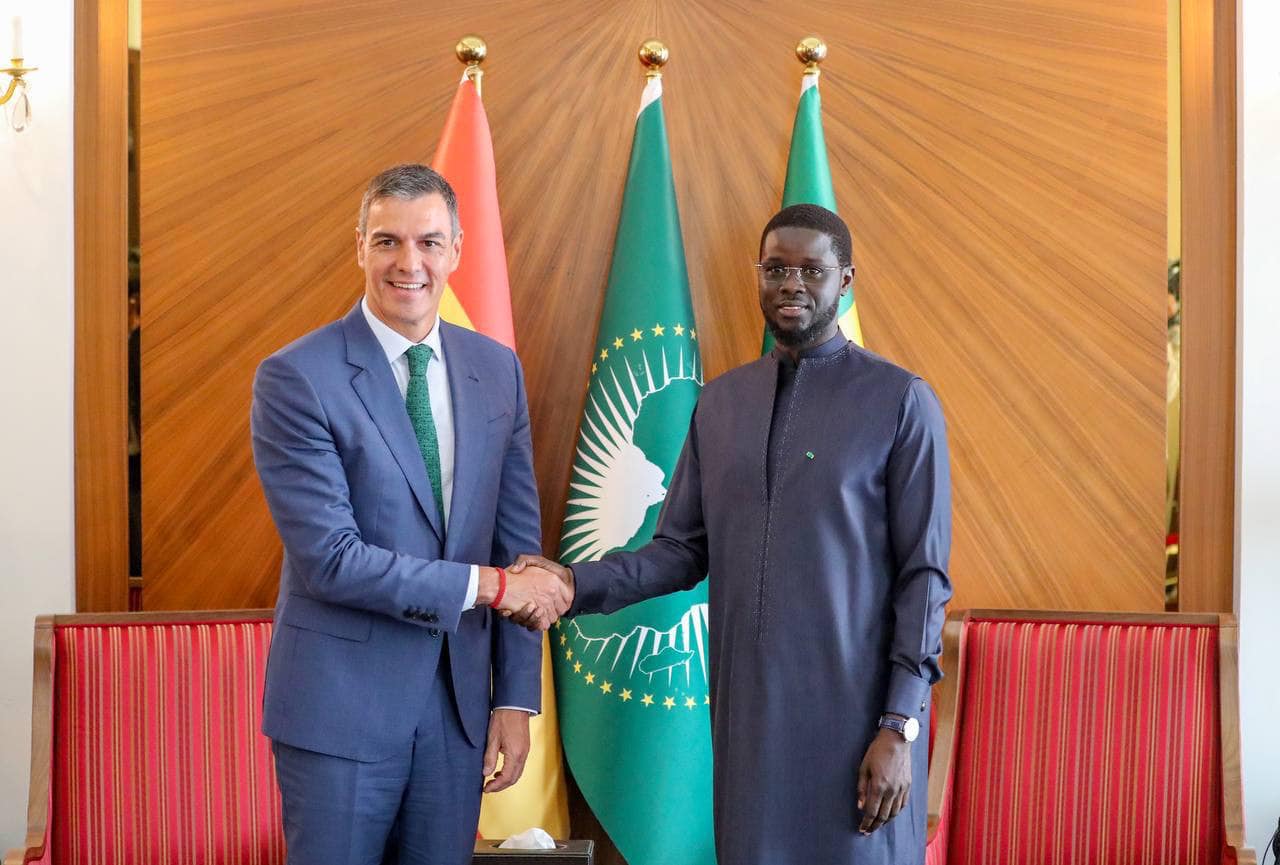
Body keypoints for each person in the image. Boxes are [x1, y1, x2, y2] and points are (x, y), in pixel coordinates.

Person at [512, 203, 952, 864]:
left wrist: (900, 725)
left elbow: (925, 579)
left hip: (861, 728)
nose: (791, 284)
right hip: (749, 728)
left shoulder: (900, 402)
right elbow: (679, 551)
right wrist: (573, 584)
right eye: (776, 269)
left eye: (811, 270)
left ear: (846, 279)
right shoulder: (720, 404)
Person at [250, 163, 570, 865]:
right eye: (387, 241)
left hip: (458, 713)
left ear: (456, 250)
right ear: (359, 247)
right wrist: (491, 587)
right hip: (340, 713)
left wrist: (515, 698)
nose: (409, 262)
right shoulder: (297, 377)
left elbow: (518, 544)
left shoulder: (497, 369)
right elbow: (332, 560)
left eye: (428, 242)